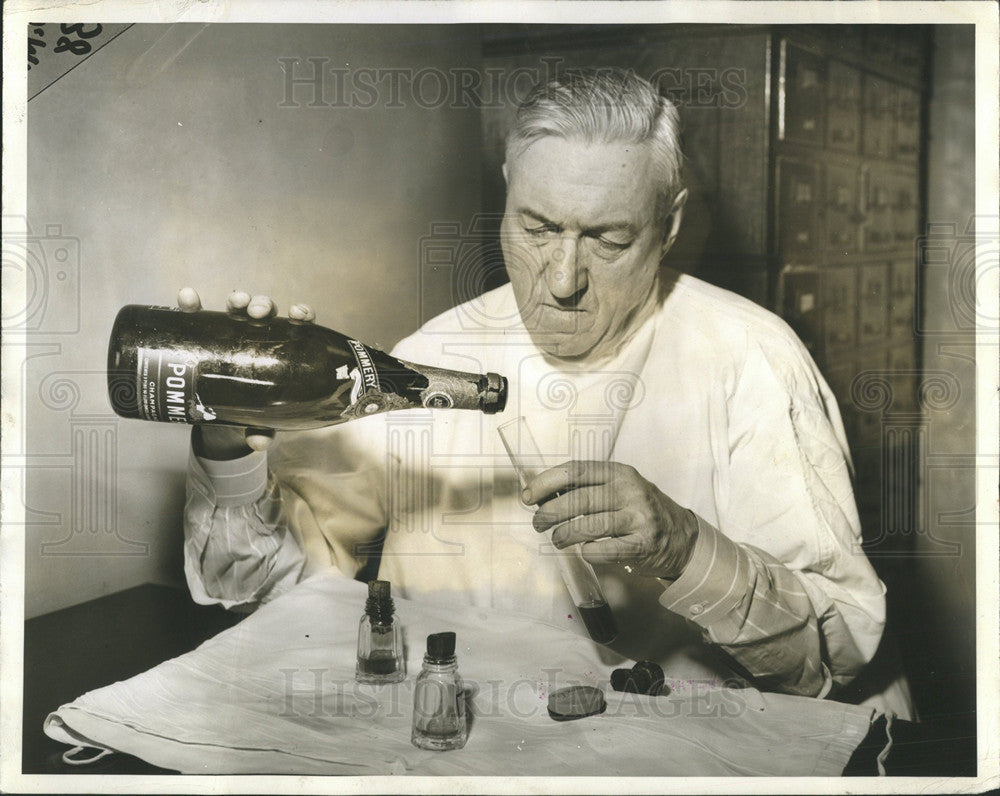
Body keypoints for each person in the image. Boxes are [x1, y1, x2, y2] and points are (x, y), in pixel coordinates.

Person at [182, 69, 912, 717]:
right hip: (463, 746)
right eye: (536, 227)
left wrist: (686, 547)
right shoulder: (433, 356)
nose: (561, 281)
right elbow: (255, 587)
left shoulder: (751, 359)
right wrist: (226, 442)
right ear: (507, 189)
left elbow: (837, 656)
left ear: (670, 223)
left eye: (609, 240)